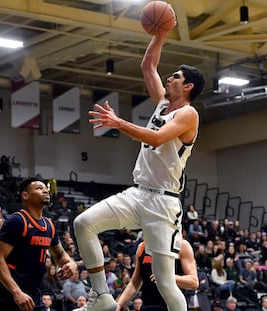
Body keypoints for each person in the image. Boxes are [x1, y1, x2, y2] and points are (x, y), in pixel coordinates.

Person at [72, 11, 205, 311]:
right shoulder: (162, 103)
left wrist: (118, 124)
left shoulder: (188, 114)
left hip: (163, 203)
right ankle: (101, 297)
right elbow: (148, 65)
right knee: (83, 223)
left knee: (165, 280)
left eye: (176, 77)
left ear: (188, 88)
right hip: (138, 192)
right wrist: (160, 34)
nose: (169, 78)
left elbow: (157, 139)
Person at [0, 177, 77, 311]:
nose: (45, 191)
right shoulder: (17, 221)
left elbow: (60, 256)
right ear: (25, 195)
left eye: (45, 189)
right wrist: (16, 292)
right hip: (11, 295)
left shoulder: (49, 225)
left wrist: (71, 264)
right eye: (39, 188)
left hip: (34, 293)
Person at [116, 239, 198, 311]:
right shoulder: (142, 247)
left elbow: (193, 282)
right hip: (148, 306)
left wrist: (167, 278)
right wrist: (119, 304)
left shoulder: (181, 244)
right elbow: (134, 283)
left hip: (172, 307)